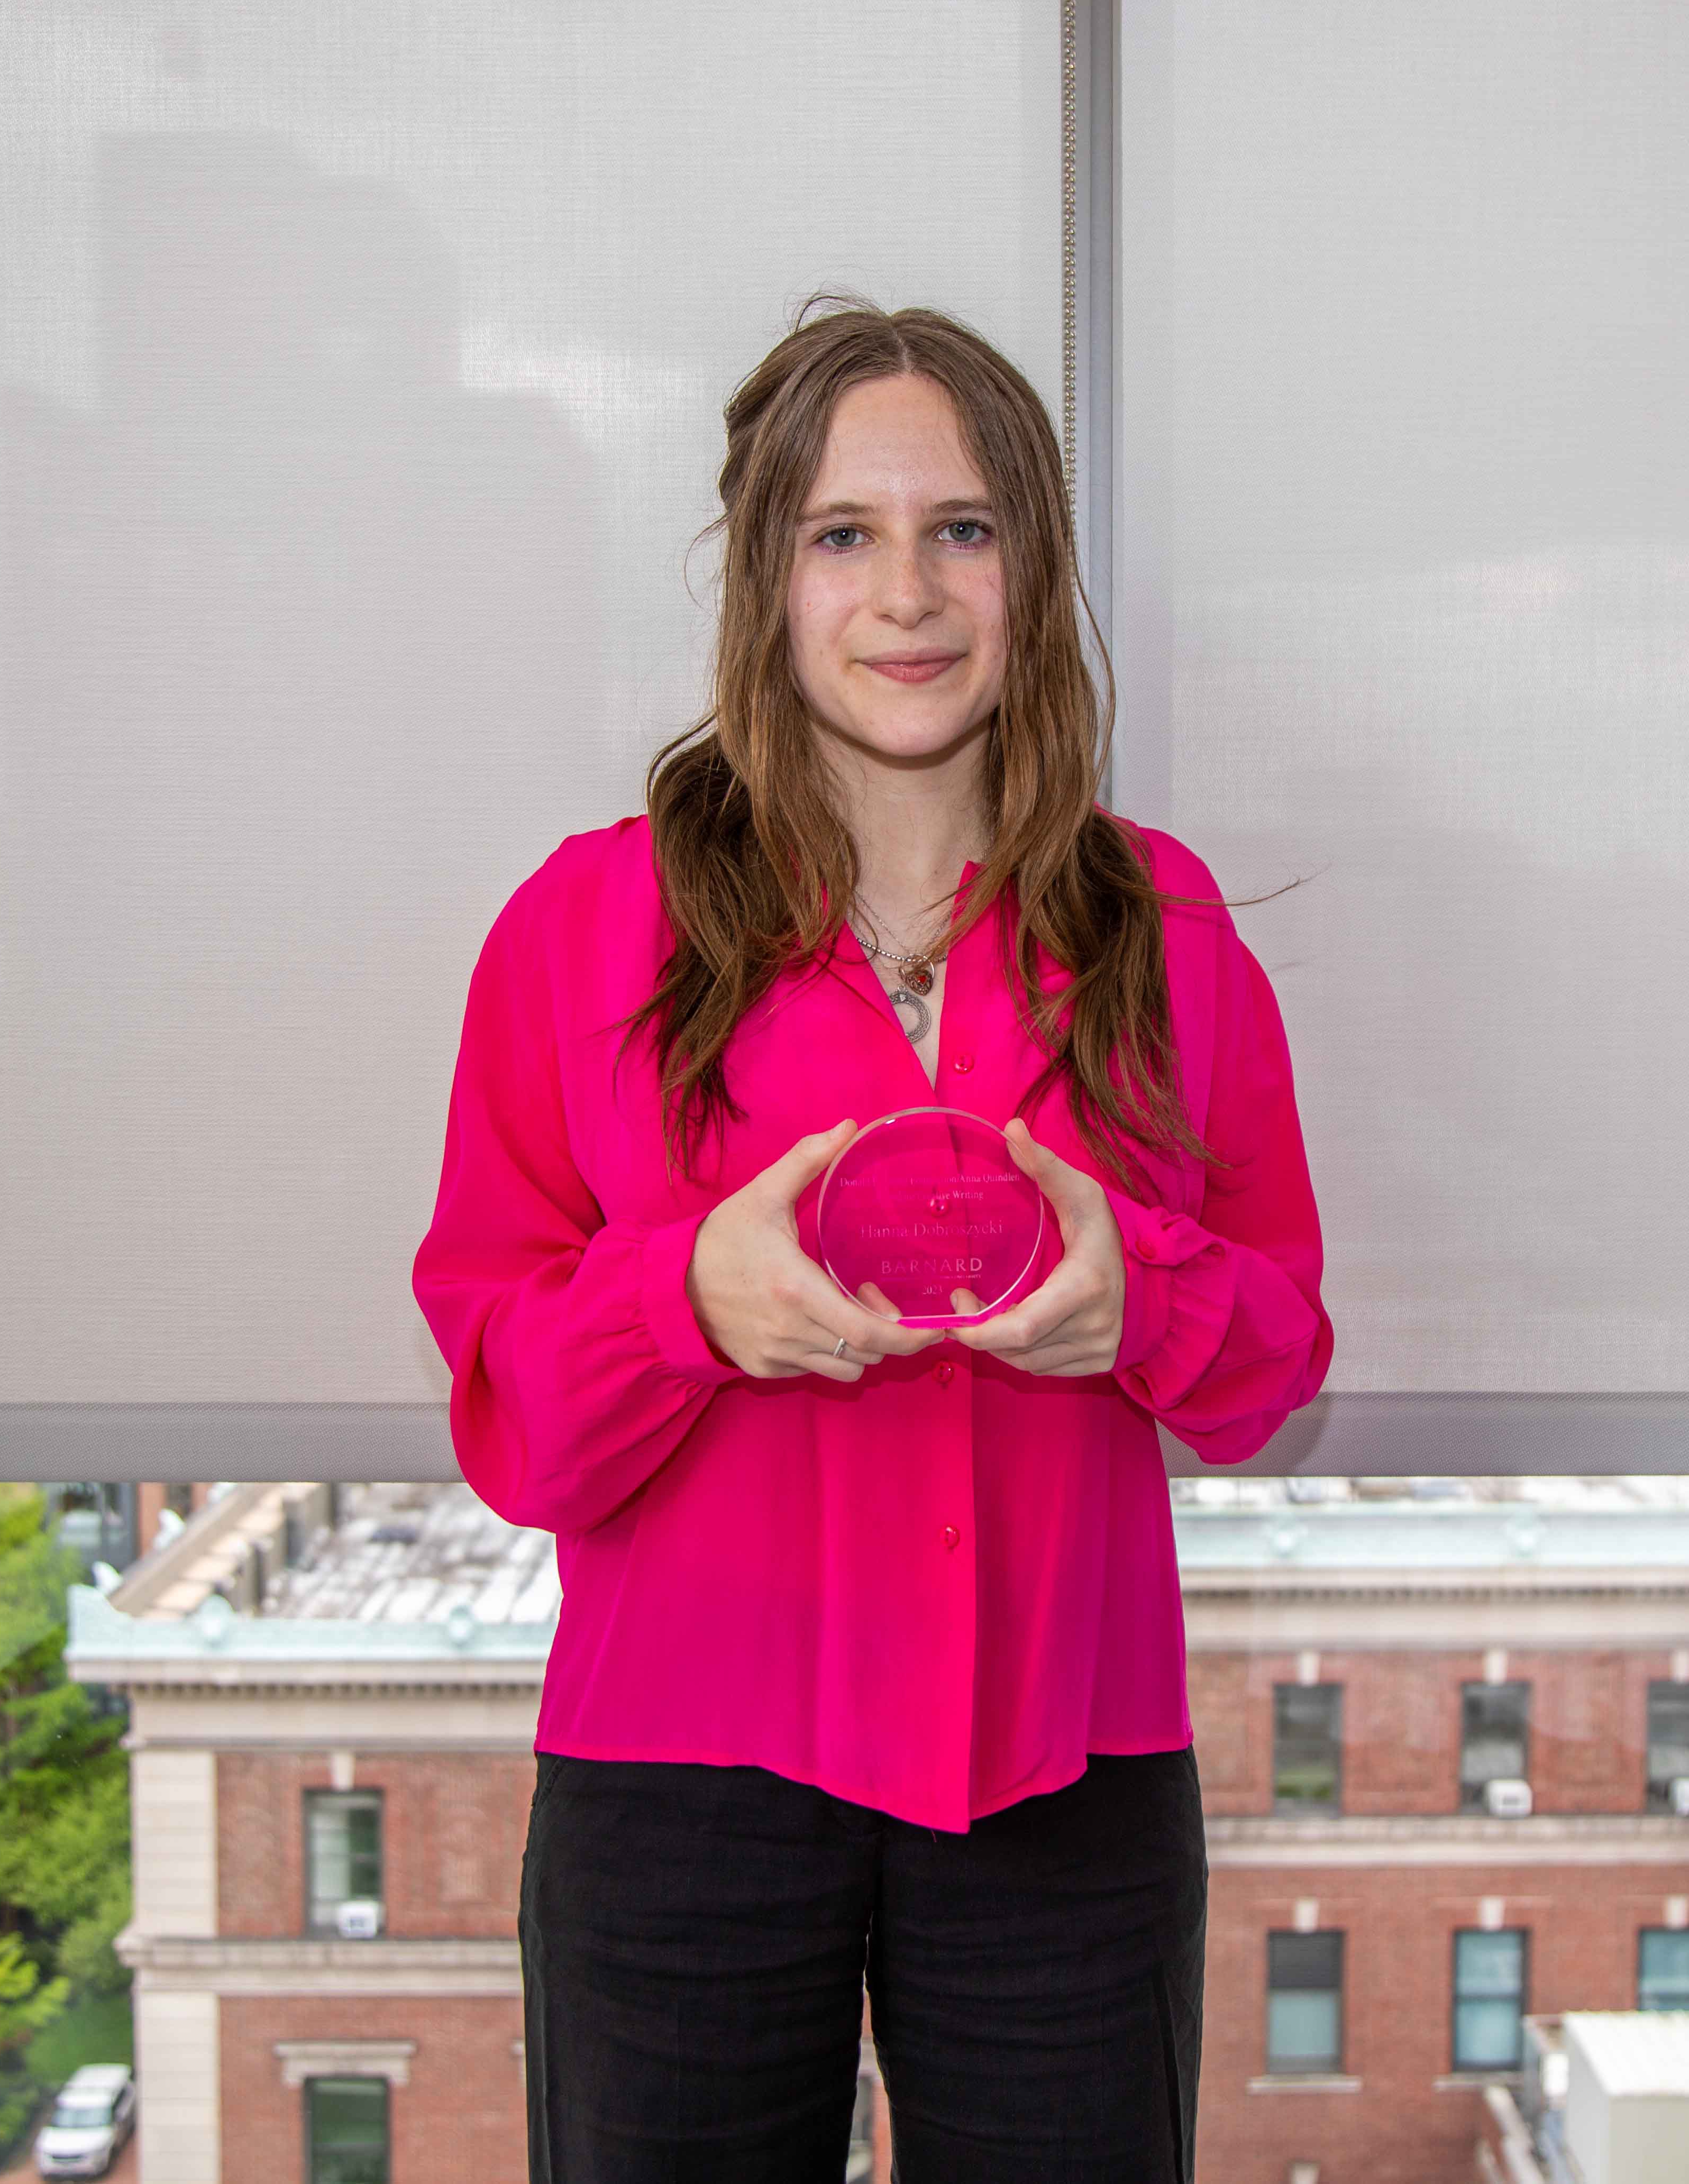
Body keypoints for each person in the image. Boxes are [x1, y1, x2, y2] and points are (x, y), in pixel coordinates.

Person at [413, 293, 1333, 2182]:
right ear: (767, 579)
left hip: (1070, 1782)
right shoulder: (579, 935)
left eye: (963, 529)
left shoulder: (1168, 930)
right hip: (677, 1797)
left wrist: (1132, 1304)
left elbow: (1276, 1365)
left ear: (1033, 571)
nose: (907, 592)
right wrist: (684, 1302)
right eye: (846, 535)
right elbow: (515, 1427)